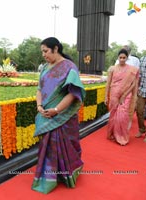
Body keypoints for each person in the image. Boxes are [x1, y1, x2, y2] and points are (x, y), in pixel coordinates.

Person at [32, 37, 86, 194]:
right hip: (45, 115)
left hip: (63, 117)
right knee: (48, 147)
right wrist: (39, 106)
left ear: (55, 49)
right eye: (42, 51)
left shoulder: (69, 67)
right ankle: (49, 177)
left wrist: (56, 110)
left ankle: (66, 175)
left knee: (64, 145)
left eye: (46, 51)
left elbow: (73, 93)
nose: (43, 54)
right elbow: (39, 89)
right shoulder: (45, 68)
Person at [105, 49, 139, 146]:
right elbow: (108, 83)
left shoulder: (132, 70)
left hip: (127, 94)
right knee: (113, 115)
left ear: (127, 58)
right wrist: (106, 97)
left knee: (123, 116)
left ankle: (121, 137)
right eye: (120, 57)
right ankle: (112, 134)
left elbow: (133, 84)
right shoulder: (112, 68)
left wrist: (125, 94)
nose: (122, 59)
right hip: (114, 94)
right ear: (118, 58)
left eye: (124, 58)